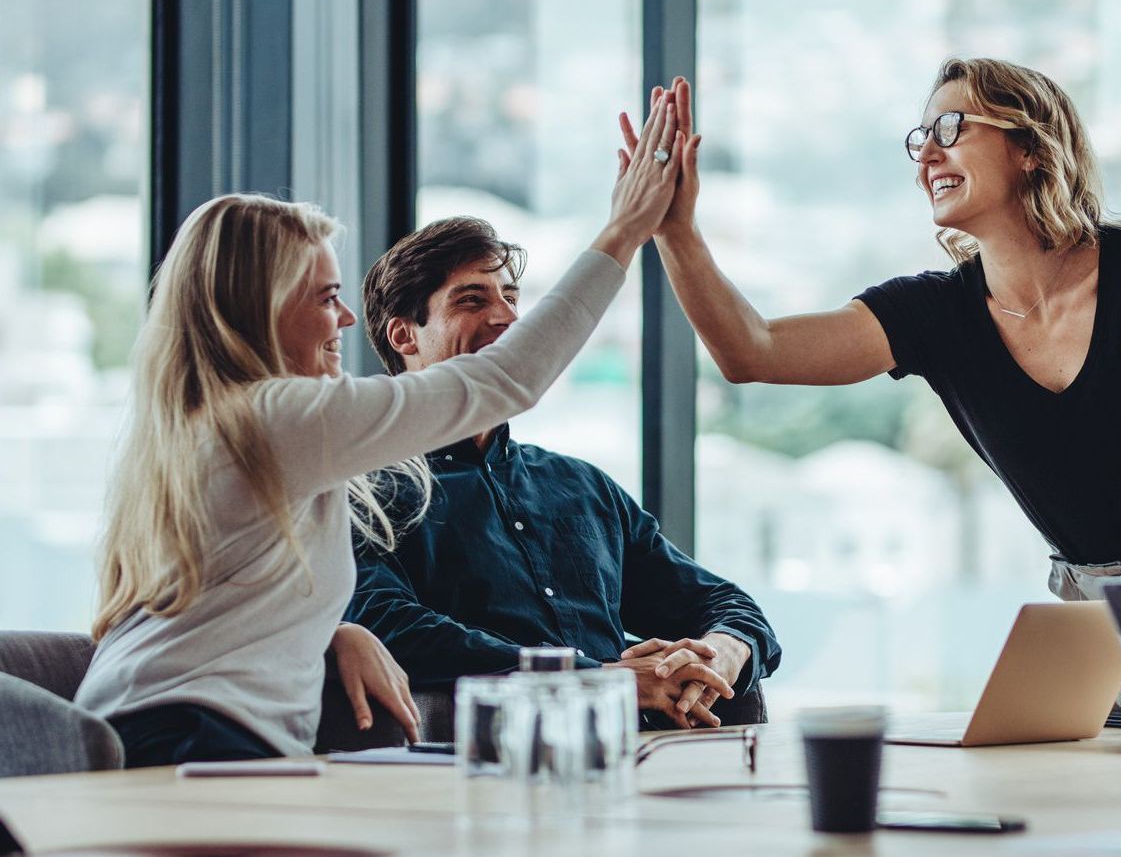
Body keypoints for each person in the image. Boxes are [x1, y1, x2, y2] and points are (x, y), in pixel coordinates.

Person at [73, 89, 684, 767]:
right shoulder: (273, 418)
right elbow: (506, 380)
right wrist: (623, 232)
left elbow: (226, 599)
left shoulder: (207, 425)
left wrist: (335, 630)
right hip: (192, 738)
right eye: (325, 297)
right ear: (262, 307)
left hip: (148, 726)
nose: (345, 320)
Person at [620, 61, 1121, 602]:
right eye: (921, 139)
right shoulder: (933, 314)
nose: (927, 155)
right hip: (1092, 617)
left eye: (952, 128)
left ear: (1030, 148)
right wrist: (674, 230)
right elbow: (753, 351)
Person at [346, 217, 781, 731]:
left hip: (639, 758)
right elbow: (388, 625)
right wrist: (595, 678)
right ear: (404, 334)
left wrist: (722, 651)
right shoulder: (363, 489)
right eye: (472, 300)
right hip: (481, 762)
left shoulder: (581, 485)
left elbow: (722, 601)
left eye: (510, 297)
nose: (507, 317)